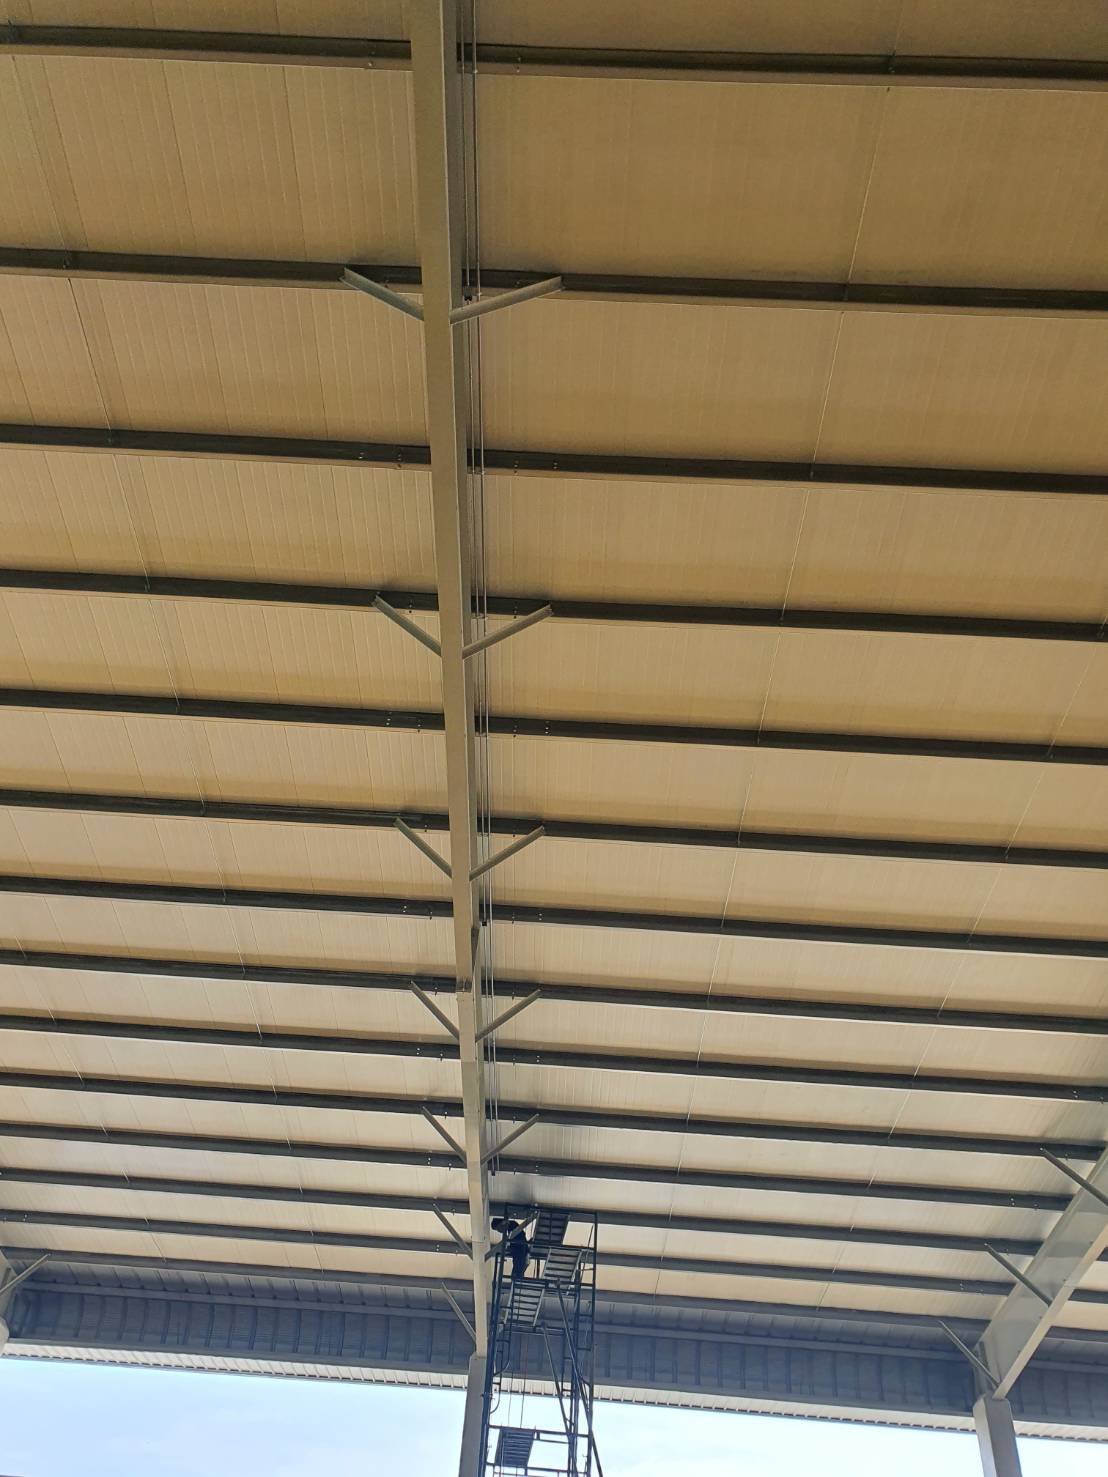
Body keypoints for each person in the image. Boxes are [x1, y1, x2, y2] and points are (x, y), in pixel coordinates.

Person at [491, 1214, 531, 1281]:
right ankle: (517, 1278)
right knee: (518, 1266)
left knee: (518, 1266)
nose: (499, 1231)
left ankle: (516, 1278)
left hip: (520, 1249)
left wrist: (510, 1248)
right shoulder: (511, 1228)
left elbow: (519, 1239)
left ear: (501, 1223)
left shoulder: (512, 1227)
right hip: (520, 1249)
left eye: (498, 1228)